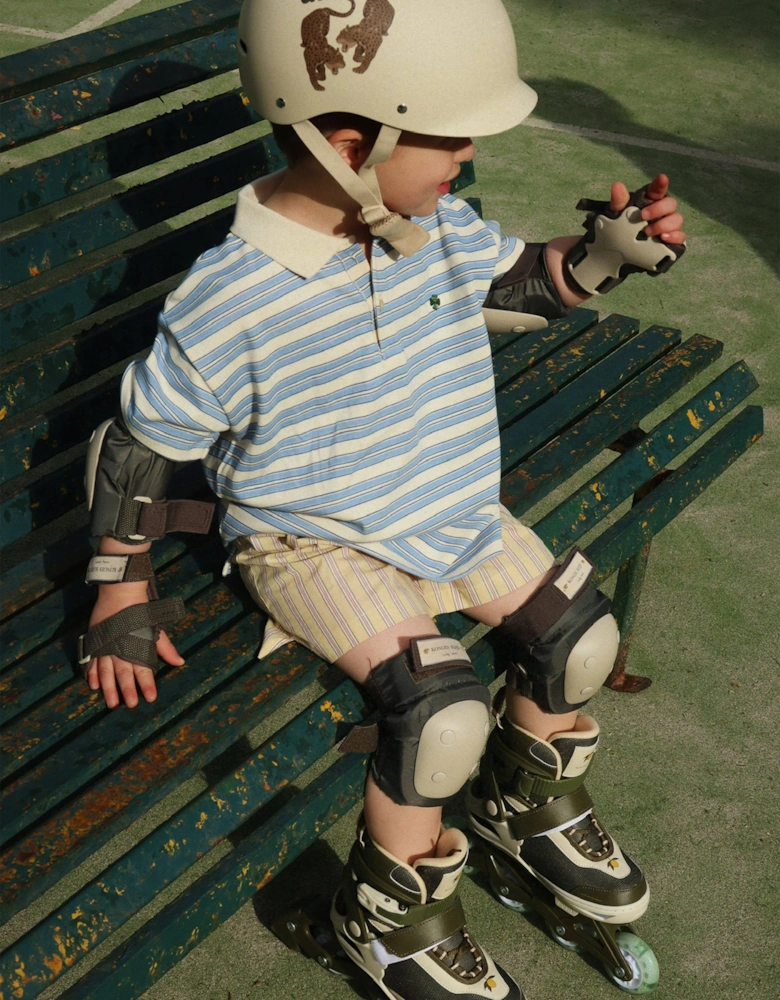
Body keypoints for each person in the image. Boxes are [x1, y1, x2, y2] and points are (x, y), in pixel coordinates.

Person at [80, 1, 686, 996]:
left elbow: (522, 286)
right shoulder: (232, 297)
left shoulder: (427, 222)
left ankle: (522, 803)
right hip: (314, 543)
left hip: (438, 505)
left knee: (577, 634)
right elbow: (139, 446)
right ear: (349, 139)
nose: (470, 151)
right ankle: (388, 916)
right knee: (440, 708)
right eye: (447, 134)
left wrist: (607, 255)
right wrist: (120, 593)